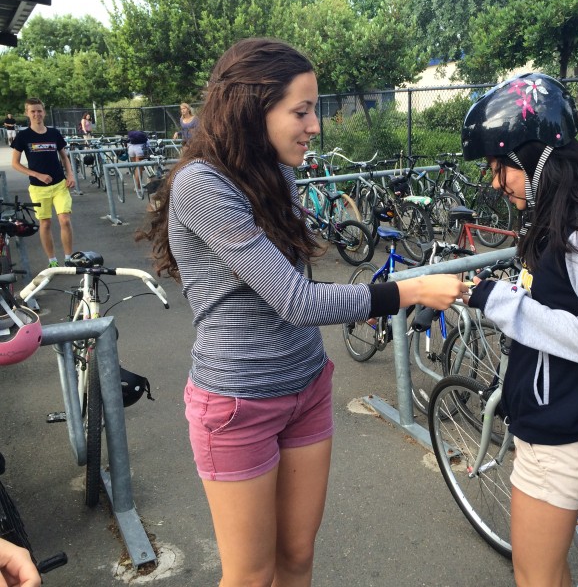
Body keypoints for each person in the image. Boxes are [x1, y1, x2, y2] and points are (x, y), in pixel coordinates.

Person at [137, 36, 467, 587]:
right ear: (252, 108)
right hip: (239, 403)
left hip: (307, 387)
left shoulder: (276, 174)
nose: (315, 125)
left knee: (297, 558)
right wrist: (407, 292)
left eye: (314, 108)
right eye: (302, 110)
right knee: (250, 574)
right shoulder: (202, 184)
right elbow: (295, 299)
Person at [460, 73, 578, 587]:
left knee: (535, 577)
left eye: (501, 169)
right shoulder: (567, 221)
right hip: (556, 419)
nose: (498, 183)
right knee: (545, 573)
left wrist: (501, 302)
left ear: (532, 157)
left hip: (564, 433)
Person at [10, 98, 75, 269]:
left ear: (44, 112)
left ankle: (68, 258)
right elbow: (15, 163)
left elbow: (64, 156)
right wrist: (37, 174)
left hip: (60, 184)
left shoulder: (54, 133)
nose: (36, 114)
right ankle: (52, 260)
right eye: (33, 111)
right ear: (27, 114)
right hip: (38, 188)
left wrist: (70, 174)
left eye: (39, 111)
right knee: (45, 224)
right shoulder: (23, 136)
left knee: (65, 220)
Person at [127, 128, 150, 195]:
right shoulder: (145, 139)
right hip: (139, 150)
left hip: (131, 150)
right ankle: (138, 187)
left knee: (136, 168)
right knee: (139, 169)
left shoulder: (131, 139)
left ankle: (138, 184)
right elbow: (148, 146)